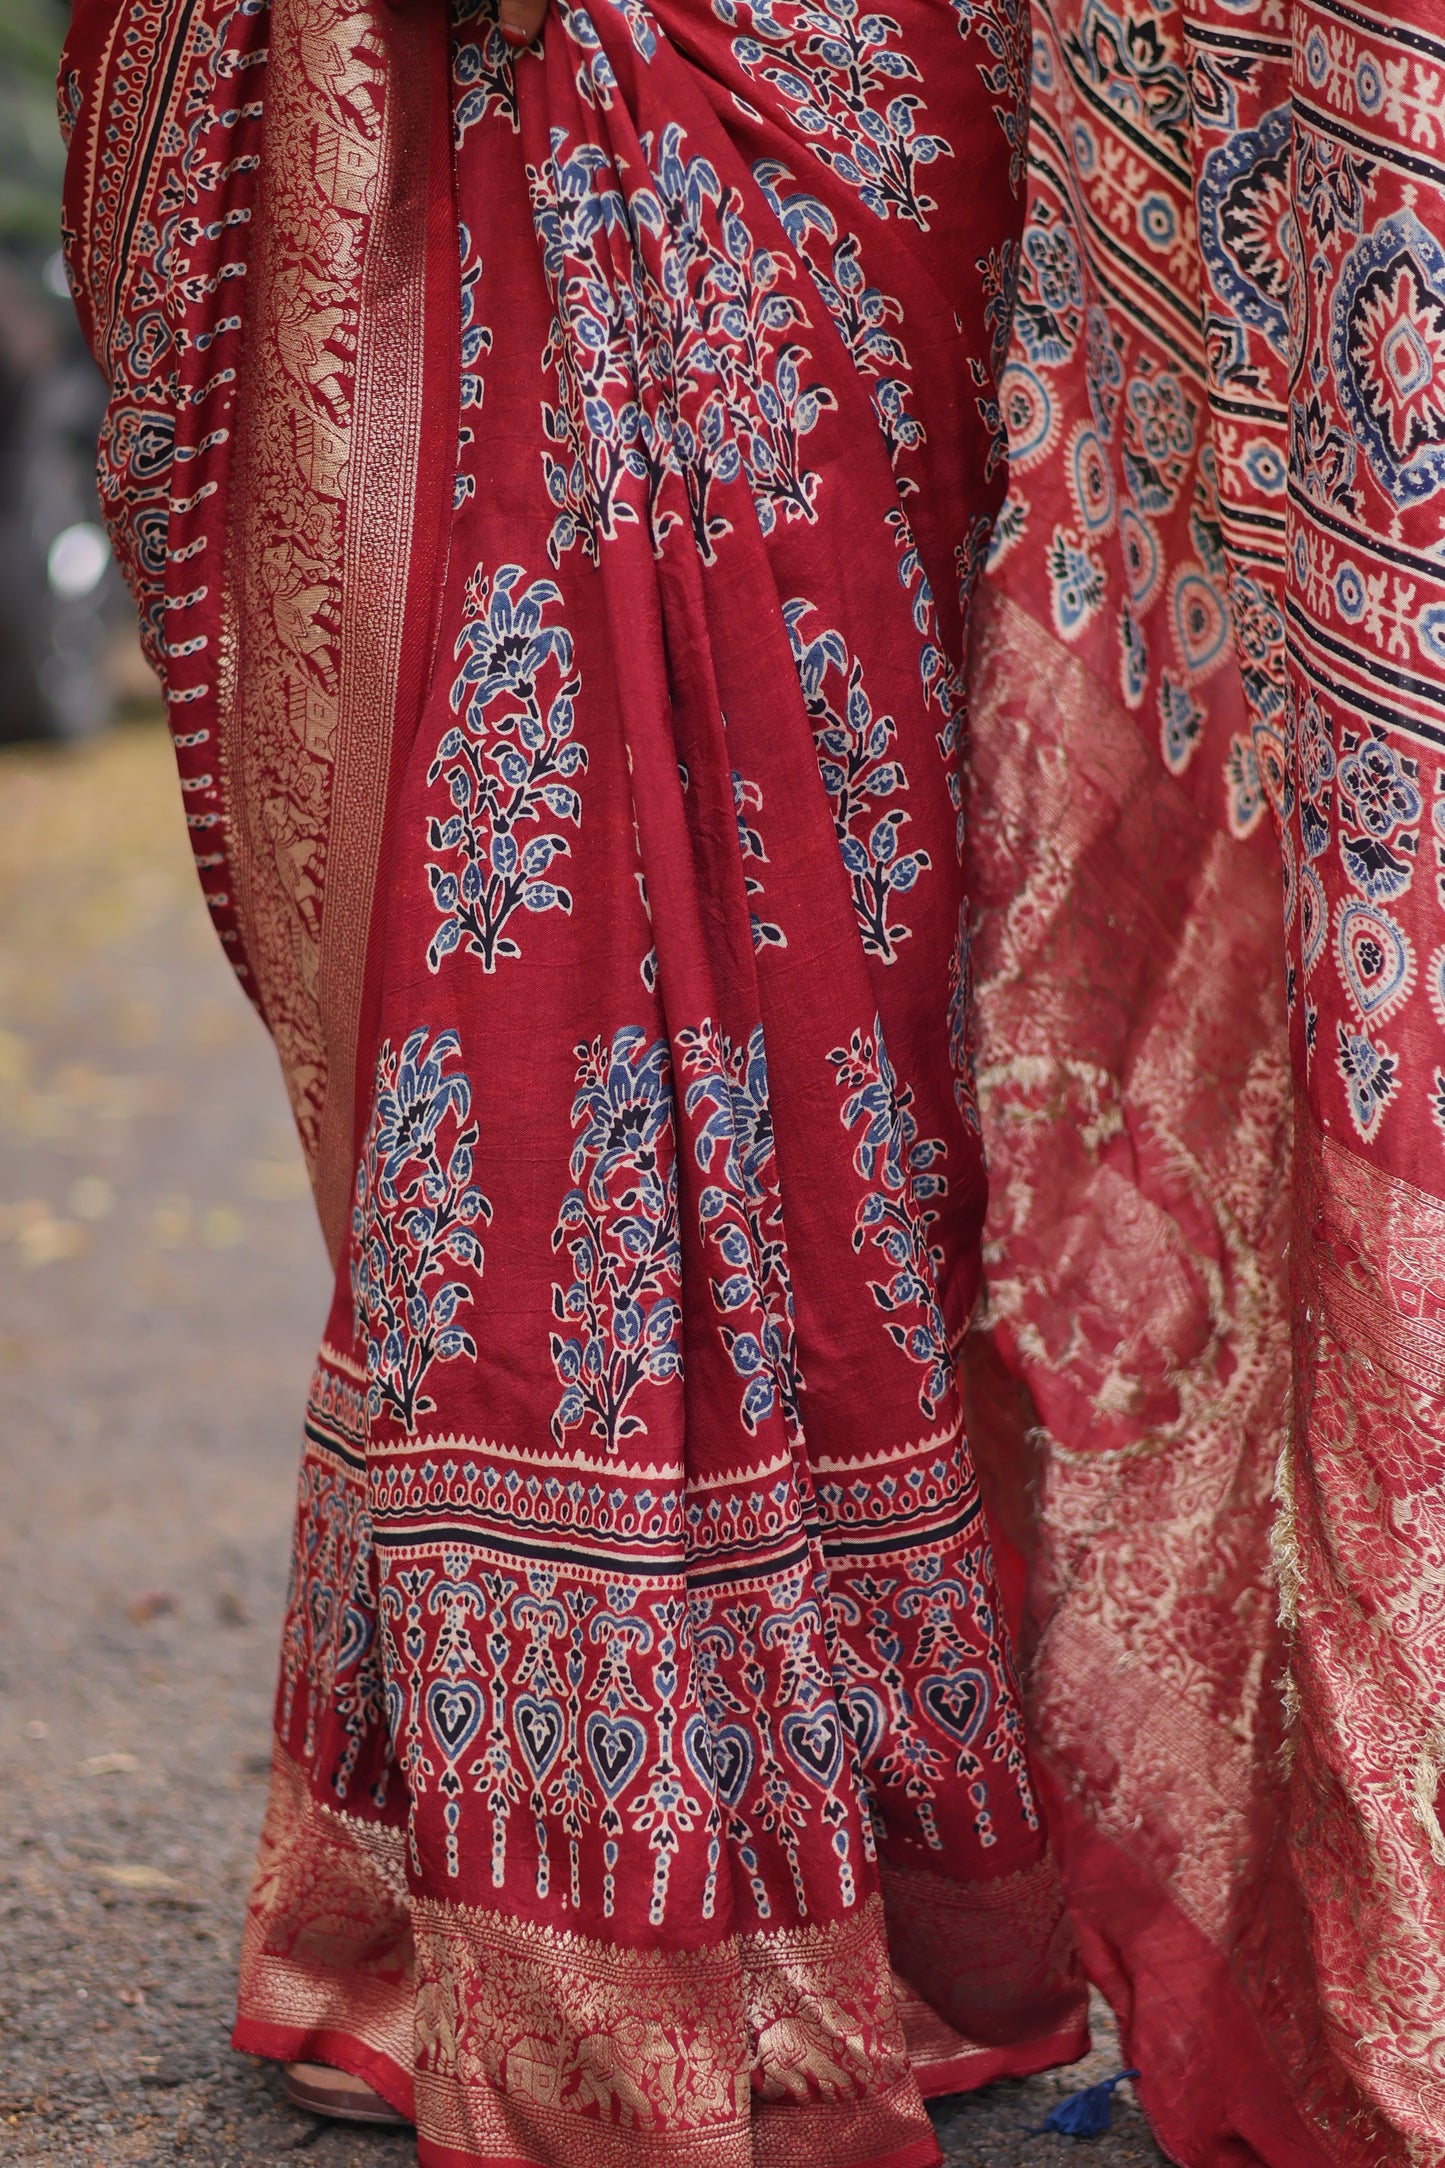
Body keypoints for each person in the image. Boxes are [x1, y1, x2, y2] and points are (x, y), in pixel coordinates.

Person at [57, 0, 1445, 2162]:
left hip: (850, 165)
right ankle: (557, 1901)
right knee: (512, 979)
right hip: (525, 174)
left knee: (844, 1004)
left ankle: (870, 1886)